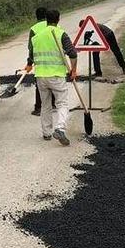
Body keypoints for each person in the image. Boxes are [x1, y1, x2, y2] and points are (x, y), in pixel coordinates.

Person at [24, 9, 77, 146]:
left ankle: (46, 133)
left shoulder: (36, 37)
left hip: (41, 76)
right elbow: (72, 53)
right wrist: (74, 71)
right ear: (58, 19)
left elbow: (32, 55)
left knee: (45, 105)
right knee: (62, 103)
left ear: (46, 20)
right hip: (57, 76)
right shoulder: (61, 34)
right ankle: (60, 129)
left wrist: (29, 64)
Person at [27, 7, 54, 116]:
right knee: (53, 80)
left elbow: (31, 47)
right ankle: (53, 104)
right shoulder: (53, 25)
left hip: (40, 60)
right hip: (54, 59)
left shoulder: (34, 29)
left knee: (40, 84)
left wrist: (30, 62)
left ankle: (38, 108)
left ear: (36, 16)